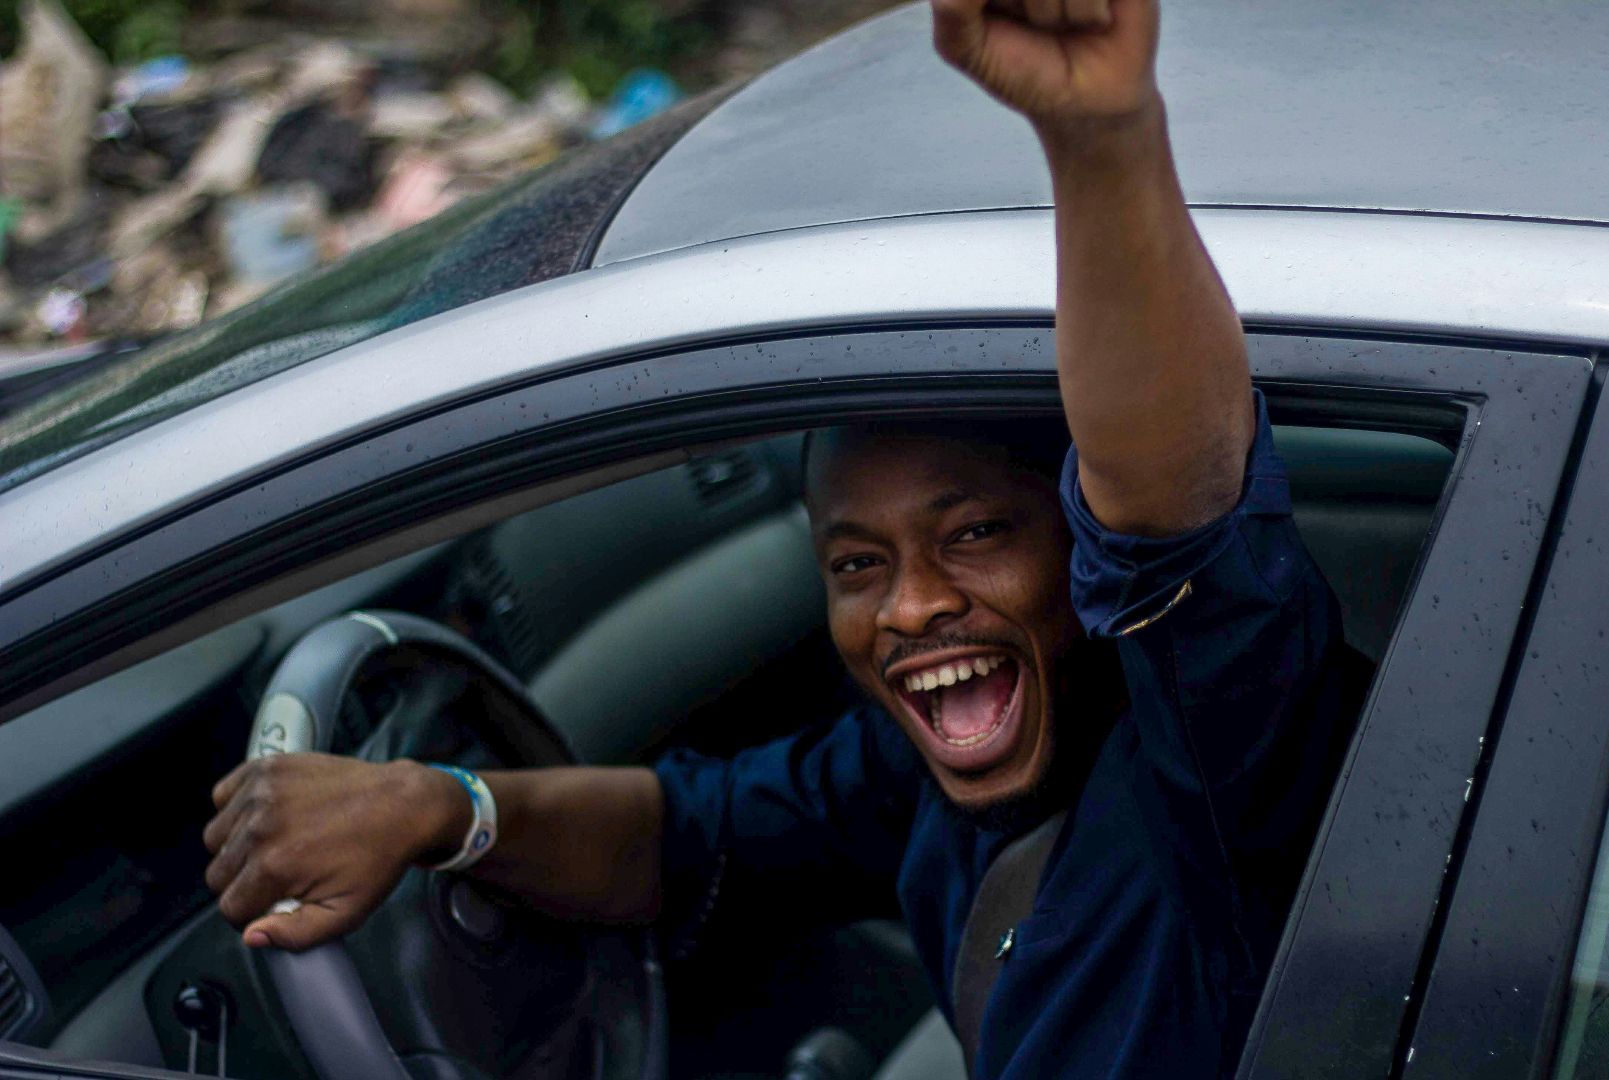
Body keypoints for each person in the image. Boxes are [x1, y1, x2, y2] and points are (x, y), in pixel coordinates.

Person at [202, 0, 1368, 1074]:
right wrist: (439, 808)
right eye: (858, 564)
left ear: (1076, 537)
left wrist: (1104, 140)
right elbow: (691, 837)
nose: (909, 608)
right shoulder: (924, 770)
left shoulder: (1215, 758)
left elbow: (1178, 510)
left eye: (972, 534)